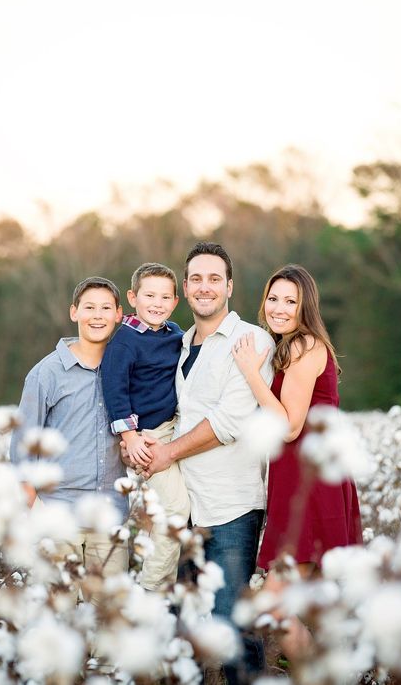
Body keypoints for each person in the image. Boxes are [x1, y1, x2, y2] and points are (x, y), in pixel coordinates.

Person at [133, 242, 275, 684]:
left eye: (215, 278)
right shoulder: (175, 342)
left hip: (230, 506)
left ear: (230, 286)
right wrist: (134, 438)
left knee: (231, 627)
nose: (204, 286)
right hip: (182, 505)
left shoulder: (251, 341)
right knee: (180, 629)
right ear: (185, 288)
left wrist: (166, 453)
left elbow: (229, 421)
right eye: (195, 278)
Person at [231, 263, 363, 660]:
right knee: (301, 605)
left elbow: (289, 427)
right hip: (298, 485)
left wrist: (251, 374)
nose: (280, 307)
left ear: (307, 307)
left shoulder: (306, 346)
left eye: (291, 301)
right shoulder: (286, 347)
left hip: (312, 489)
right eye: (273, 298)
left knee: (273, 607)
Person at [10, 276, 129, 587]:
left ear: (119, 314)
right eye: (89, 307)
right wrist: (32, 511)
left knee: (109, 617)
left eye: (106, 308)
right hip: (58, 515)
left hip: (110, 516)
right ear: (74, 312)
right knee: (57, 614)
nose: (98, 315)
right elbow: (23, 447)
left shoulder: (127, 369)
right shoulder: (45, 374)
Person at [101, 262, 189, 591]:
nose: (157, 303)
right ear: (133, 297)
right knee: (177, 509)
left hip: (176, 428)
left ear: (175, 302)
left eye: (165, 297)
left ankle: (169, 585)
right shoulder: (124, 340)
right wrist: (130, 436)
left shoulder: (174, 335)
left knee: (179, 508)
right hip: (146, 437)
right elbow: (115, 389)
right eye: (149, 295)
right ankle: (151, 587)